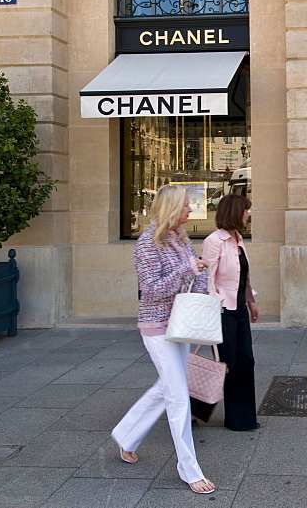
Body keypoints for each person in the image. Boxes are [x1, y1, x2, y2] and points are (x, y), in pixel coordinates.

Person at [111, 184, 217, 495]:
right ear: (171, 207)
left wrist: (201, 285)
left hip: (181, 325)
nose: (190, 209)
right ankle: (189, 469)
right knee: (178, 396)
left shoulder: (180, 239)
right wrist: (188, 267)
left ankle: (126, 435)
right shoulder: (147, 244)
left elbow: (193, 278)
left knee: (166, 388)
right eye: (186, 205)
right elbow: (152, 289)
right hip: (157, 327)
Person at [190, 194, 260, 431]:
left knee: (245, 361)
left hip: (238, 308)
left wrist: (251, 301)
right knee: (228, 363)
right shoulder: (214, 241)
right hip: (222, 311)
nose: (248, 214)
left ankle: (243, 417)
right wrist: (217, 304)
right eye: (245, 210)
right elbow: (206, 278)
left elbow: (243, 275)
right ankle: (224, 415)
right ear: (235, 213)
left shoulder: (238, 239)